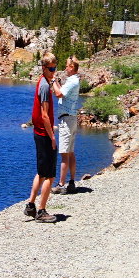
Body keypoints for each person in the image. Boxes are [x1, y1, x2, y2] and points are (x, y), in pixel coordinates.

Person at [24, 53, 60, 223]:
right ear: (44, 68)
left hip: (38, 132)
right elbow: (45, 116)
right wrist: (52, 137)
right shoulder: (45, 86)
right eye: (51, 68)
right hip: (44, 134)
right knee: (50, 175)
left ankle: (30, 205)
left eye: (55, 68)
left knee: (40, 172)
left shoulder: (42, 82)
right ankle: (41, 211)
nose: (54, 71)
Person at [52, 56, 83, 195]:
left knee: (64, 154)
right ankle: (71, 182)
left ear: (71, 67)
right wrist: (57, 83)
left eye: (66, 66)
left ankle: (61, 184)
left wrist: (53, 81)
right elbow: (61, 92)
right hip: (70, 119)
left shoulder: (72, 81)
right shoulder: (72, 80)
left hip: (66, 120)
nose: (65, 68)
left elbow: (58, 94)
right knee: (70, 152)